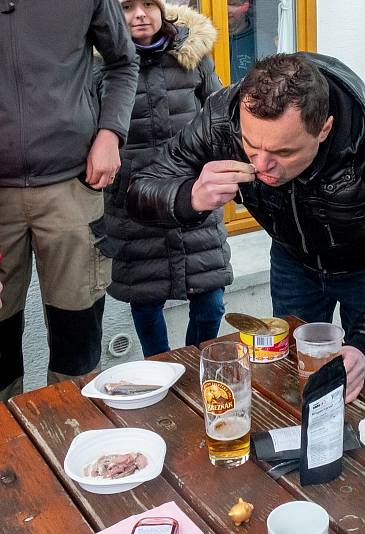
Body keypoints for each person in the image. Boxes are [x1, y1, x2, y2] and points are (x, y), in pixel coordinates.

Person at [127, 52, 365, 402]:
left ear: (324, 128)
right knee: (291, 369)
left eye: (283, 152)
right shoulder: (223, 116)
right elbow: (141, 188)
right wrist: (190, 195)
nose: (262, 165)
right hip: (293, 258)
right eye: (250, 145)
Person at [0, 0, 139, 401]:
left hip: (71, 189)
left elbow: (122, 62)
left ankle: (72, 442)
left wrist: (111, 132)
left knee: (76, 338)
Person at [96, 0, 232, 357]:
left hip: (193, 194)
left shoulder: (193, 56)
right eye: (127, 7)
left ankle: (195, 366)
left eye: (148, 5)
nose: (140, 15)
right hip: (133, 204)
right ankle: (159, 368)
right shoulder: (97, 66)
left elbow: (220, 114)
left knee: (210, 301)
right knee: (146, 302)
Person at [227, 0, 256, 82]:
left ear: (246, 6)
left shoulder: (259, 41)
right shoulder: (203, 39)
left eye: (232, 4)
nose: (226, 9)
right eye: (221, 5)